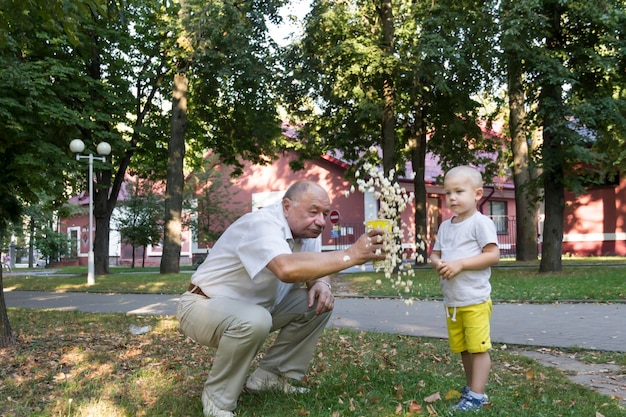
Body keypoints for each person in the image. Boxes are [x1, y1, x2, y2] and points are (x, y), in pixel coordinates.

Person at [177, 180, 388, 417]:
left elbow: (314, 266)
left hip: (257, 310)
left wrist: (321, 283)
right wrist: (351, 255)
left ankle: (270, 377)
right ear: (287, 206)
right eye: (314, 212)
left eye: (325, 214)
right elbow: (286, 269)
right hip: (202, 306)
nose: (321, 221)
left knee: (318, 302)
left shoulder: (307, 231)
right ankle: (217, 399)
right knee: (256, 319)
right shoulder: (261, 224)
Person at [428, 166, 500, 412]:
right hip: (453, 302)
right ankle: (471, 389)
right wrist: (438, 263)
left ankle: (478, 395)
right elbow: (435, 254)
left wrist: (460, 264)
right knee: (464, 349)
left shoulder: (481, 223)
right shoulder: (446, 226)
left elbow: (492, 255)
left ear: (477, 193)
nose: (452, 198)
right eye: (448, 193)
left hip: (475, 299)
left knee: (478, 349)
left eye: (459, 191)